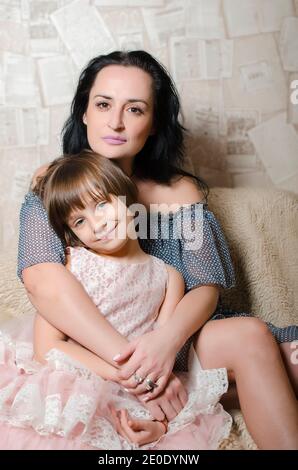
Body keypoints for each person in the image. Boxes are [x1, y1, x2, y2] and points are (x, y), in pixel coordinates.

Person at [18, 50, 297, 449]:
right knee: (266, 358)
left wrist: (165, 344)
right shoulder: (55, 186)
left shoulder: (179, 192)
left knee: (286, 356)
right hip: (101, 348)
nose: (115, 122)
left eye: (135, 109)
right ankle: (186, 403)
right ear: (84, 112)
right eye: (103, 105)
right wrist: (141, 369)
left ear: (153, 123)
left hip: (182, 336)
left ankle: (198, 399)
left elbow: (204, 286)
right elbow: (43, 280)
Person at [0, 151, 232, 450]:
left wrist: (159, 425)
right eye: (80, 220)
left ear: (129, 202)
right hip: (76, 378)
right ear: (73, 235)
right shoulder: (73, 265)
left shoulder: (168, 277)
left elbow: (164, 363)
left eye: (101, 204)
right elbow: (47, 348)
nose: (97, 224)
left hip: (132, 392)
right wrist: (123, 376)